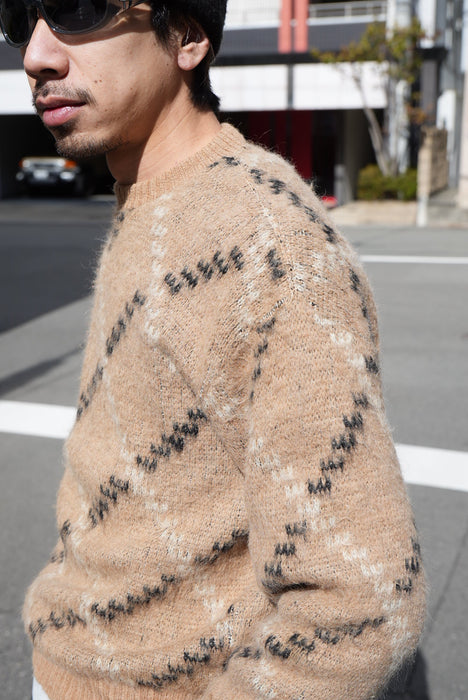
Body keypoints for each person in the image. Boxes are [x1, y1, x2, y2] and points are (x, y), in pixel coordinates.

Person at [1, 0, 426, 697]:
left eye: (78, 8)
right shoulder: (151, 194)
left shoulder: (269, 243)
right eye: (21, 18)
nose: (35, 56)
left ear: (188, 37)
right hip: (71, 662)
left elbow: (361, 605)